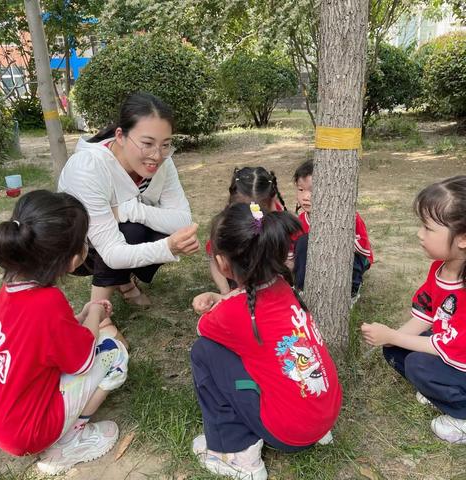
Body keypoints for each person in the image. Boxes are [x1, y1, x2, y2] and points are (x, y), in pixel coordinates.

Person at [191, 202, 342, 480]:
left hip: (290, 434)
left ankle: (237, 453)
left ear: (223, 262)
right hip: (323, 415)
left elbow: (205, 329)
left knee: (204, 351)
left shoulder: (233, 312)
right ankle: (312, 427)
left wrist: (219, 302)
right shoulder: (284, 286)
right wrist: (225, 301)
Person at [0, 190, 128, 475]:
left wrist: (81, 316)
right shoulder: (48, 301)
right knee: (115, 352)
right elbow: (82, 360)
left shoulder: (10, 289)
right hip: (30, 432)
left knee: (98, 340)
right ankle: (70, 440)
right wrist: (97, 312)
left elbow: (40, 340)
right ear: (74, 259)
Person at [58, 92, 199, 308]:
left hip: (120, 234)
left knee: (143, 226)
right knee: (133, 231)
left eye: (165, 144)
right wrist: (168, 247)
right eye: (147, 143)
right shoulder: (89, 167)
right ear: (120, 136)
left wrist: (128, 210)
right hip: (80, 251)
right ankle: (99, 311)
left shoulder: (164, 163)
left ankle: (124, 282)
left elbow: (182, 221)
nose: (157, 155)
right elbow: (112, 252)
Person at [361, 175, 466, 444]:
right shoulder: (439, 269)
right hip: (449, 349)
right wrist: (389, 339)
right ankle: (442, 392)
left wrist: (393, 336)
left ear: (463, 239)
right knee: (396, 351)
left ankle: (461, 416)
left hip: (459, 355)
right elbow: (425, 315)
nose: (420, 234)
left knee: (419, 365)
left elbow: (451, 346)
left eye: (429, 228)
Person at [293, 159, 373, 301]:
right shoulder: (300, 221)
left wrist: (331, 241)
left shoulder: (348, 217)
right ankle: (302, 289)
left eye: (313, 190)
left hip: (350, 259)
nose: (305, 196)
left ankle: (352, 291)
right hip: (317, 265)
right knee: (303, 242)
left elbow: (364, 251)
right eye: (301, 189)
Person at [206, 166, 288, 294]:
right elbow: (215, 256)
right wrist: (226, 294)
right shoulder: (226, 225)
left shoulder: (281, 223)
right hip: (238, 278)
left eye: (258, 211)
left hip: (273, 283)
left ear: (272, 202)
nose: (251, 217)